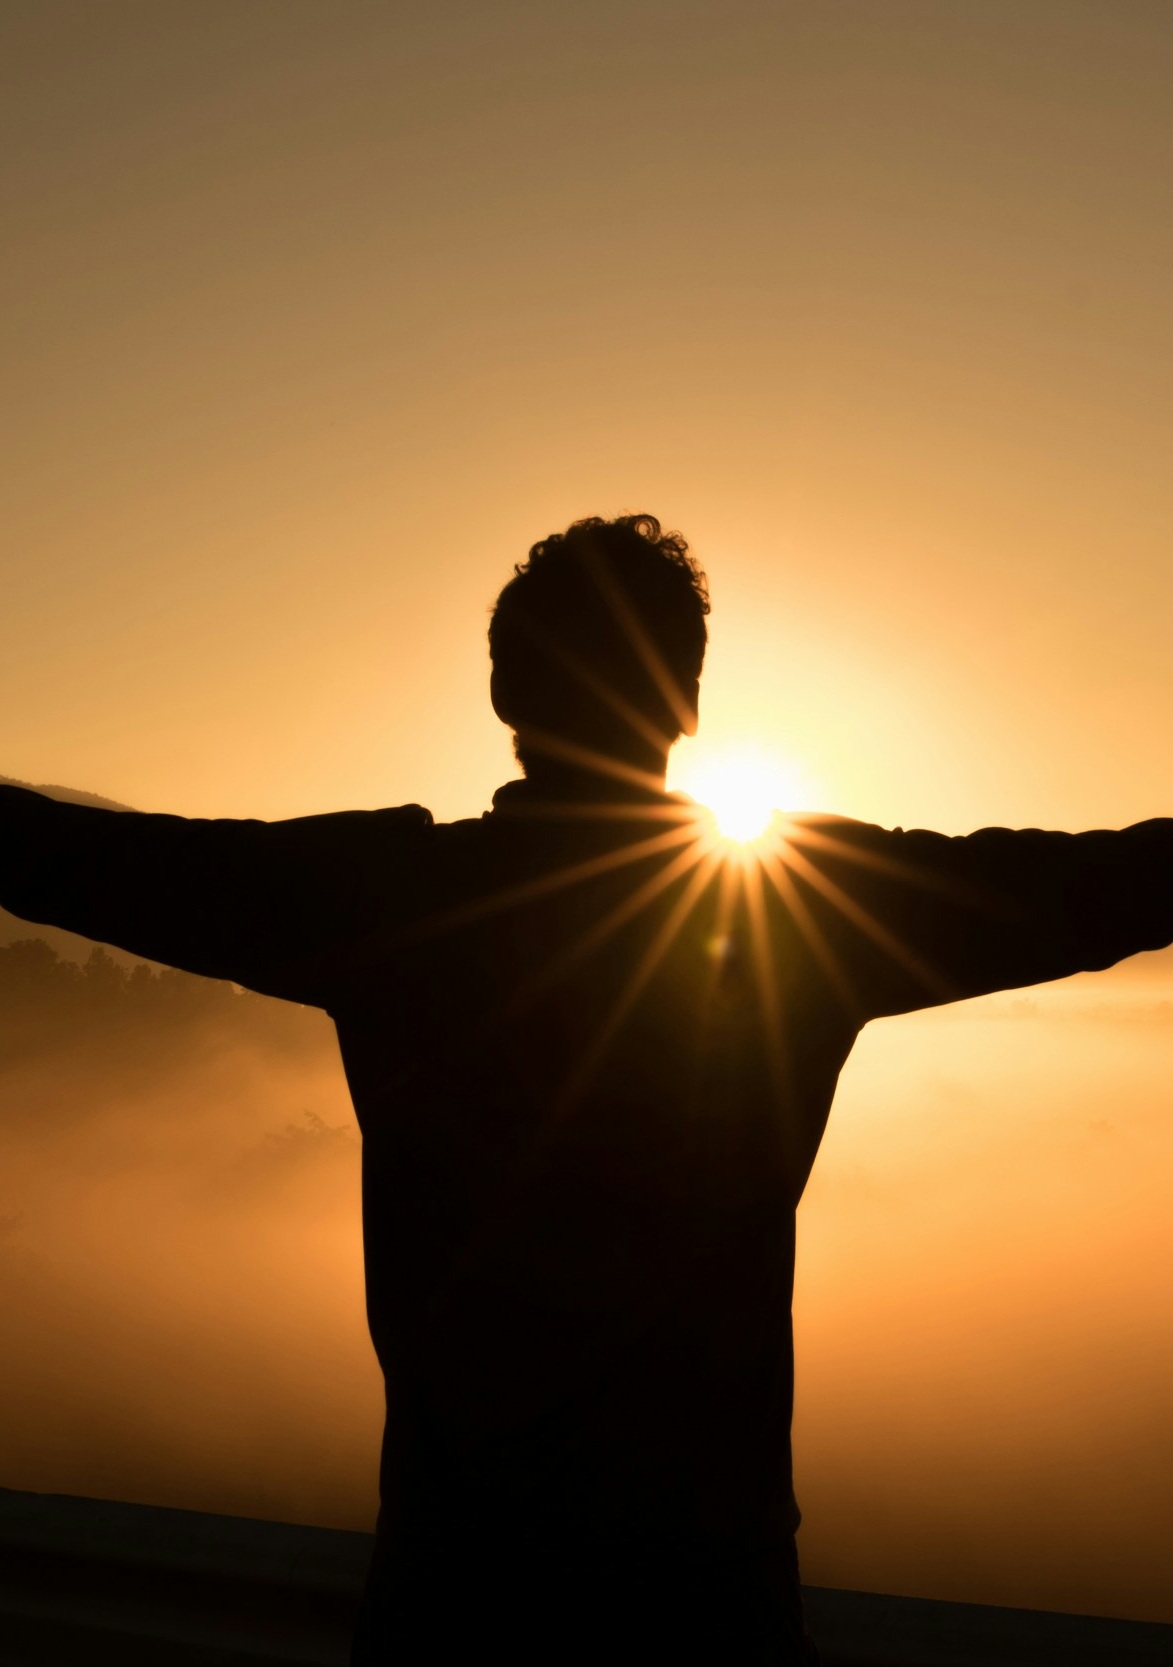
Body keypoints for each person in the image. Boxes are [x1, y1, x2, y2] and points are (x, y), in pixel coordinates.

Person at [1, 513, 1170, 1664]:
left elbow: (90, 862)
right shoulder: (804, 911)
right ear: (686, 703)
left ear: (507, 692)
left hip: (456, 1592)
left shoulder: (391, 900)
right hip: (708, 1599)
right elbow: (1097, 885)